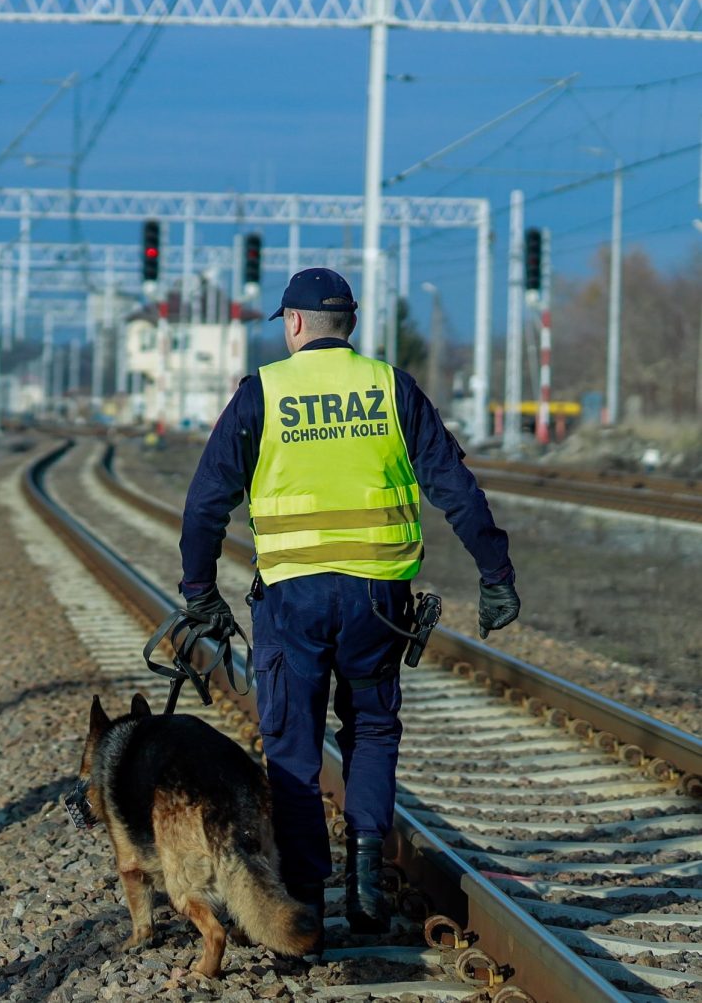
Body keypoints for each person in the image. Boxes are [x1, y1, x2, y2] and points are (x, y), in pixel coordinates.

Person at [176, 268, 519, 949]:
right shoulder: (391, 388)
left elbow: (206, 503)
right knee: (371, 728)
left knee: (294, 749)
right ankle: (366, 878)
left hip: (293, 601)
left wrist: (198, 592)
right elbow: (455, 485)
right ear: (349, 325)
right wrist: (496, 572)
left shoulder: (263, 393)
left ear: (294, 323)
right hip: (377, 601)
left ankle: (304, 905)